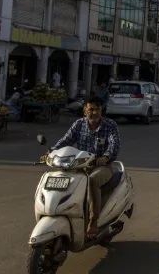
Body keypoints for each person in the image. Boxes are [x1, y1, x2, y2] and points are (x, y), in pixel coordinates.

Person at [41, 96, 120, 239]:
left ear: (101, 110)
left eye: (97, 109)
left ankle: (93, 221)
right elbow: (66, 141)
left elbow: (114, 145)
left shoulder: (110, 125)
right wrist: (50, 152)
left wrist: (105, 157)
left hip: (102, 166)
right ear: (85, 111)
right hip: (79, 166)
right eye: (91, 109)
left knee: (92, 181)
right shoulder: (78, 124)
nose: (94, 112)